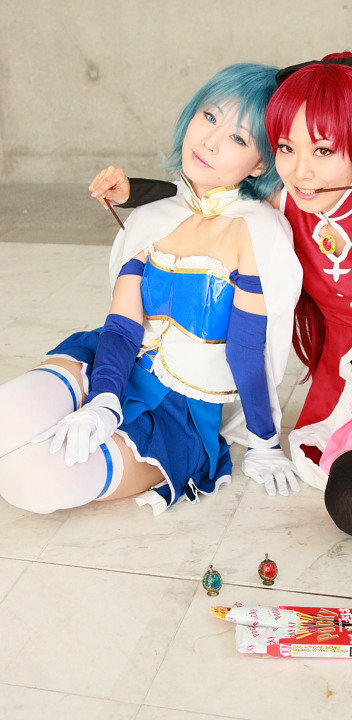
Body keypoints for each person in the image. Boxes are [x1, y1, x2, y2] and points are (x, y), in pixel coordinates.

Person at [97, 53, 352, 545]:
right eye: (285, 147)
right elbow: (210, 192)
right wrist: (131, 191)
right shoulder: (288, 200)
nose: (301, 171)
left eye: (323, 150)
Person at [0, 63, 302, 516]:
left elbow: (246, 349)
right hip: (108, 361)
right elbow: (122, 327)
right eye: (209, 116)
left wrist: (264, 441)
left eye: (238, 139)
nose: (210, 141)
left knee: (30, 482)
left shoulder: (258, 233)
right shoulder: (153, 215)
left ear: (261, 163)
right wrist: (103, 401)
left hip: (182, 410)